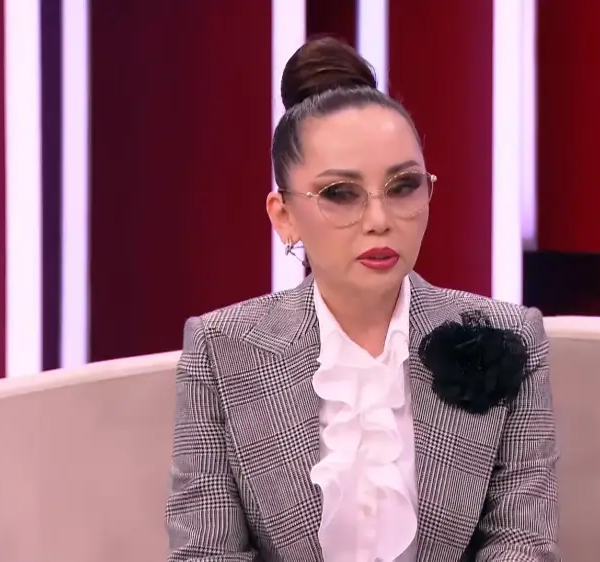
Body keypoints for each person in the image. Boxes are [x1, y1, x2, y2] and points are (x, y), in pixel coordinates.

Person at [165, 36, 559, 562]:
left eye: (403, 187)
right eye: (341, 194)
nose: (379, 220)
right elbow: (206, 553)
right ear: (284, 216)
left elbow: (523, 543)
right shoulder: (221, 349)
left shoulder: (511, 335)